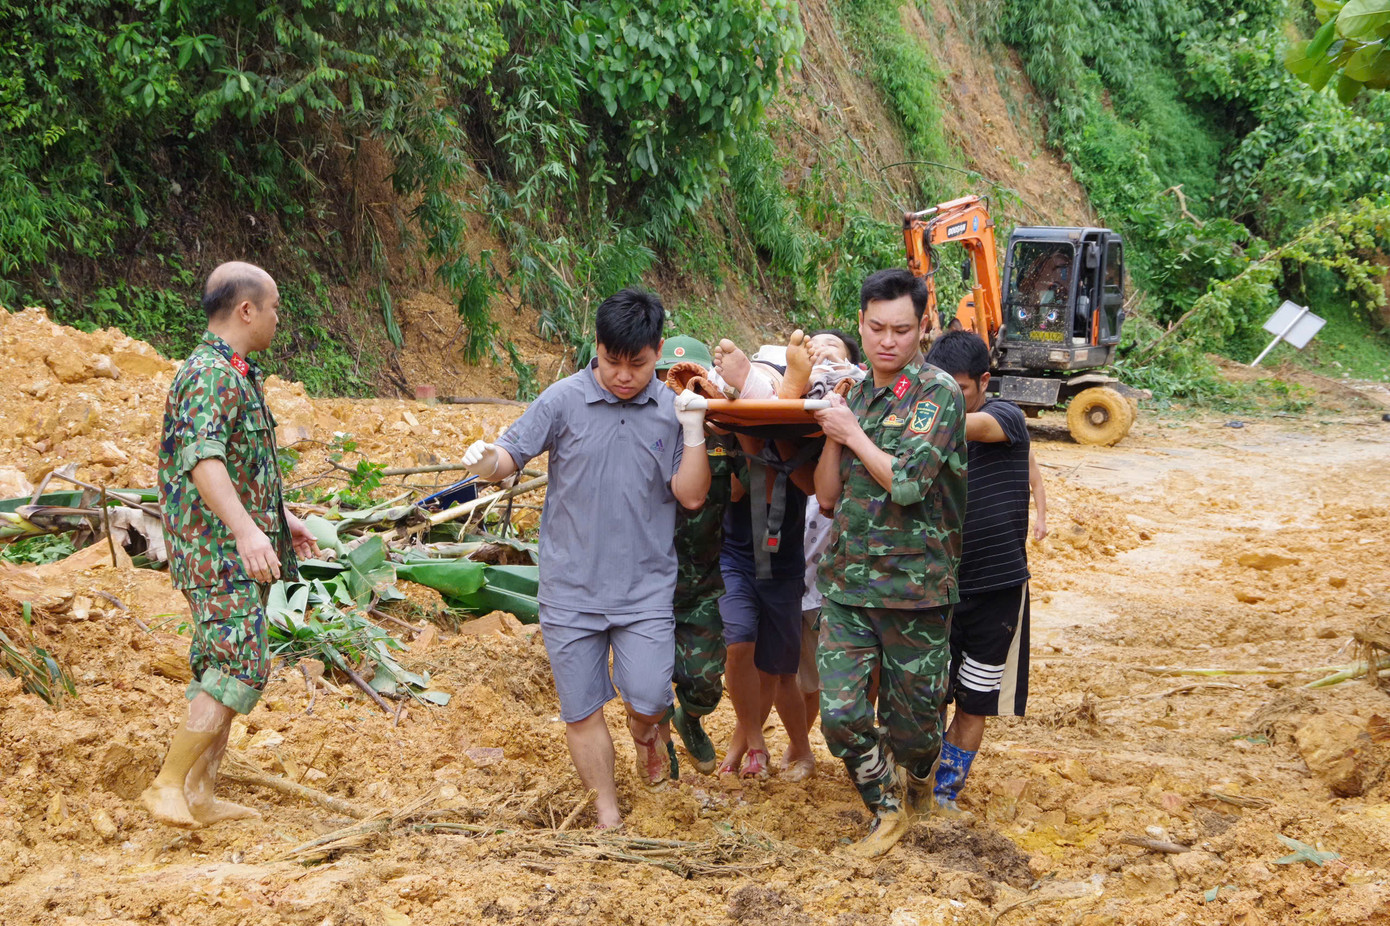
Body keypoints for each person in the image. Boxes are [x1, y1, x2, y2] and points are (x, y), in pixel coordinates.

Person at [461, 290, 711, 830]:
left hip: (643, 589)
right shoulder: (562, 400)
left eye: (638, 364)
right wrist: (487, 462)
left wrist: (693, 432)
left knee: (647, 696)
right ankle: (606, 811)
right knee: (580, 709)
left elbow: (691, 496)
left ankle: (648, 731)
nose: (623, 375)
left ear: (658, 351)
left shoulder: (673, 410)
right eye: (612, 361)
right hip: (571, 589)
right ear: (596, 347)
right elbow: (510, 455)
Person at [142, 261, 320, 827]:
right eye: (272, 308)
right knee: (237, 663)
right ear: (246, 310)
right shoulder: (211, 375)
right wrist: (246, 531)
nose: (277, 318)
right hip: (216, 552)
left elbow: (240, 468)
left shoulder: (231, 371)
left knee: (228, 660)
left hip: (229, 548)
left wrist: (279, 517)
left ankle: (200, 792)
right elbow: (204, 460)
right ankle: (169, 783)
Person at [811, 267, 967, 858]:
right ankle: (887, 808)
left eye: (902, 329)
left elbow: (906, 484)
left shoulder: (937, 394)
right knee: (841, 715)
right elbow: (825, 497)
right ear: (861, 323)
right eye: (876, 328)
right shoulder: (852, 394)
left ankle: (919, 778)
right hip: (848, 586)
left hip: (916, 591)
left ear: (922, 328)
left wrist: (851, 432)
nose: (887, 341)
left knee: (916, 731)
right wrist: (834, 431)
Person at [925, 331, 1040, 813]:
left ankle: (943, 794)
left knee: (975, 698)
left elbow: (964, 426)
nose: (952, 399)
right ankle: (917, 783)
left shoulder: (1005, 416)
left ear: (985, 382)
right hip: (936, 587)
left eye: (961, 391)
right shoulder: (930, 425)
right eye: (942, 389)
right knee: (929, 696)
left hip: (995, 589)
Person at [655, 336, 735, 777]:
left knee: (705, 686)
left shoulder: (721, 430)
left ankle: (691, 718)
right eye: (669, 377)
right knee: (648, 685)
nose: (680, 387)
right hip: (648, 583)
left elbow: (744, 485)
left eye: (692, 379)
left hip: (700, 583)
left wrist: (720, 418)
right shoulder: (645, 430)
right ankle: (659, 742)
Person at [715, 441, 815, 781]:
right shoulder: (732, 438)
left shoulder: (798, 440)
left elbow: (812, 486)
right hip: (736, 560)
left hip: (785, 568)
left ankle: (799, 749)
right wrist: (747, 450)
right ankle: (753, 745)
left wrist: (780, 450)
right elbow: (730, 492)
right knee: (739, 640)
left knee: (777, 670)